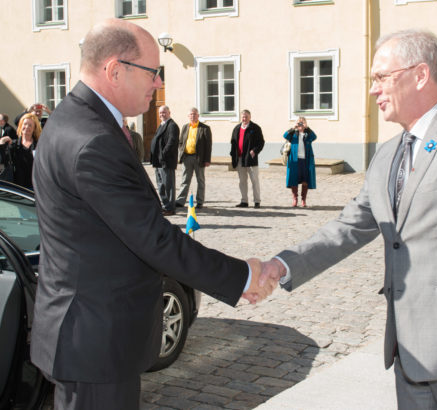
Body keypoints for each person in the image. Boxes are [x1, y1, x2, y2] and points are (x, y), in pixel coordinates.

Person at [260, 29, 437, 409]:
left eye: (381, 77)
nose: (374, 90)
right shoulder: (386, 155)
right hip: (409, 354)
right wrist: (281, 265)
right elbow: (349, 226)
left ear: (420, 75)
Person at [30, 18, 275, 410]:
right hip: (94, 345)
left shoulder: (74, 119)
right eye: (153, 72)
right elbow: (153, 238)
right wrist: (241, 276)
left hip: (89, 337)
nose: (159, 83)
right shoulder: (92, 141)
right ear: (114, 70)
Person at [176, 107, 212, 209]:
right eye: (191, 114)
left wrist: (207, 160)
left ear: (198, 116)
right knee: (184, 180)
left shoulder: (204, 128)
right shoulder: (185, 127)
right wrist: (181, 151)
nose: (193, 116)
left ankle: (200, 201)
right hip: (187, 157)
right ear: (188, 116)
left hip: (199, 158)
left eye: (194, 114)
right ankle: (180, 201)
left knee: (200, 180)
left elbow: (208, 146)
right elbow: (181, 141)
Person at [230, 109, 264, 208]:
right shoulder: (236, 128)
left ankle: (257, 201)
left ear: (250, 117)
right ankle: (244, 201)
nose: (244, 119)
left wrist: (255, 151)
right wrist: (233, 156)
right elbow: (233, 143)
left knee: (255, 181)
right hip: (240, 158)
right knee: (242, 181)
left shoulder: (255, 128)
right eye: (243, 117)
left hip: (251, 159)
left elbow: (261, 142)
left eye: (246, 117)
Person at [150, 105, 179, 216]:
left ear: (169, 113)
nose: (162, 114)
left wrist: (163, 155)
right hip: (158, 161)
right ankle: (165, 205)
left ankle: (170, 208)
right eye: (160, 113)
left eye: (164, 112)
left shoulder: (172, 125)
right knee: (161, 185)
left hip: (166, 161)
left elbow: (171, 142)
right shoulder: (161, 125)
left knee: (168, 186)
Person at [0, 112, 41, 189]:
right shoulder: (13, 144)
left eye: (30, 125)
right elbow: (4, 161)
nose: (27, 127)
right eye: (25, 124)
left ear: (34, 128)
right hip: (18, 188)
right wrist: (2, 143)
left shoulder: (39, 145)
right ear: (20, 125)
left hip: (35, 187)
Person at [283, 117, 316, 207]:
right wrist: (293, 128)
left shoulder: (307, 134)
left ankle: (303, 200)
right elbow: (285, 135)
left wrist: (307, 128)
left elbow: (314, 137)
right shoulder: (293, 133)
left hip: (306, 160)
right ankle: (295, 199)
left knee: (305, 180)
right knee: (294, 179)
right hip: (294, 160)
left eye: (302, 122)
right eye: (299, 122)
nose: (300, 124)